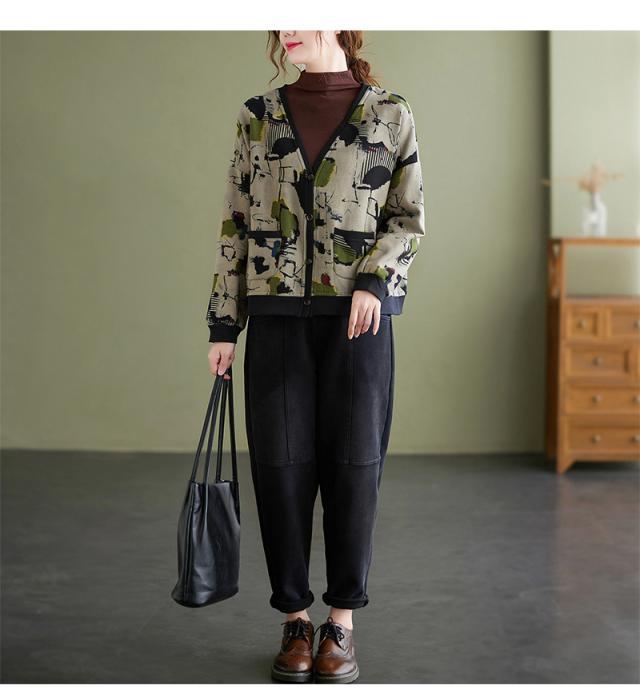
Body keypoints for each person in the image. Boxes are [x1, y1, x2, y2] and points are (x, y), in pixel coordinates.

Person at [205, 30, 426, 683]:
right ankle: (296, 620)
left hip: (358, 324)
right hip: (275, 320)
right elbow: (235, 219)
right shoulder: (258, 115)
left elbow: (406, 216)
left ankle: (341, 623)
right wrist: (224, 322)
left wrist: (375, 283)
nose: (287, 28)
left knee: (355, 470)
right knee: (280, 470)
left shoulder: (389, 113)